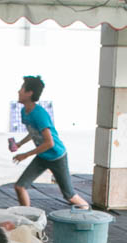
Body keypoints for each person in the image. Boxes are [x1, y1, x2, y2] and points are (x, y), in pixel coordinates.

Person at [12, 75, 89, 209]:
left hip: (57, 156)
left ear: (30, 93)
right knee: (20, 187)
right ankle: (28, 218)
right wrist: (19, 144)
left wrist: (26, 154)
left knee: (69, 195)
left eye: (22, 89)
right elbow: (33, 132)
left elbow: (49, 143)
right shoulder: (24, 111)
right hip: (42, 156)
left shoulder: (39, 114)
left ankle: (89, 213)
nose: (19, 91)